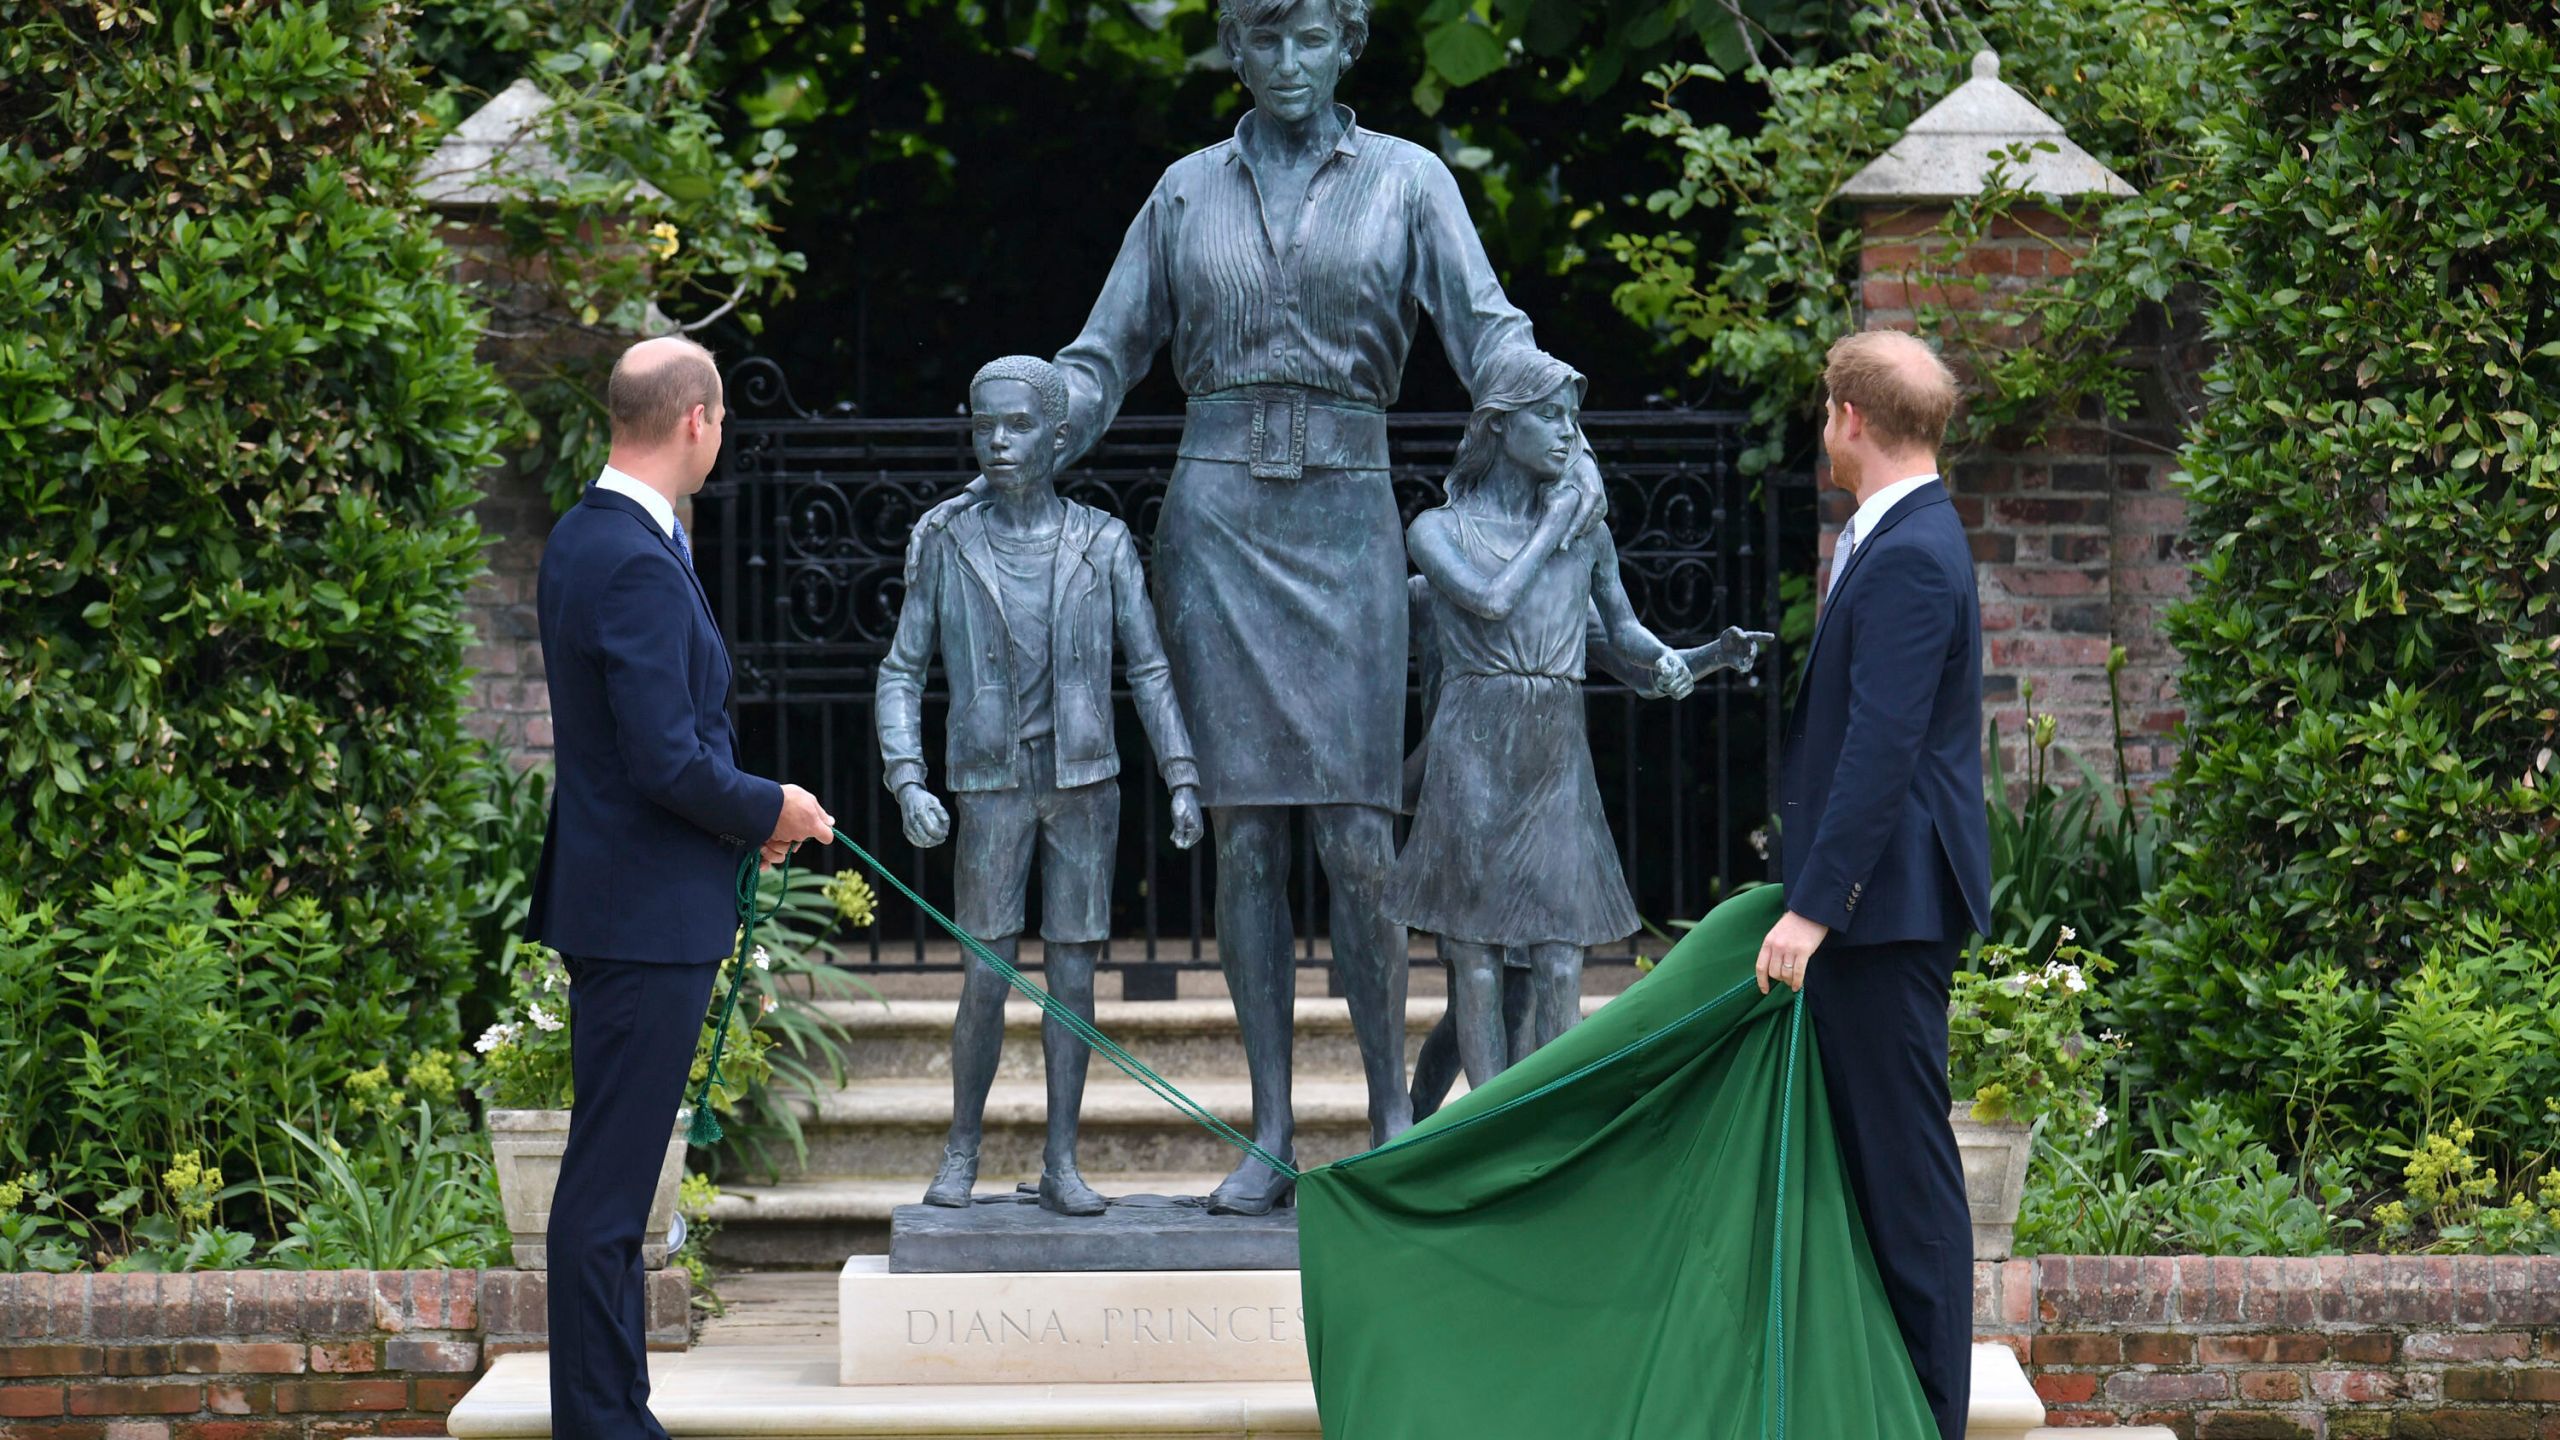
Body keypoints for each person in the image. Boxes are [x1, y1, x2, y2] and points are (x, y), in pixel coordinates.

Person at [911, 0, 1602, 1215]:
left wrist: (1556, 426)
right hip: (1217, 524)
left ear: (1348, 48)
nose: (1288, 63)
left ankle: (1392, 1117)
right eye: (1264, 40)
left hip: (1345, 517)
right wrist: (1025, 435)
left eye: (1311, 38)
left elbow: (1488, 332)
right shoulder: (1184, 192)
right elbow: (1104, 352)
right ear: (1233, 50)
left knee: (1355, 833)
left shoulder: (1408, 180)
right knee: (1244, 840)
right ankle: (1272, 1128)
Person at [524, 336, 835, 1440]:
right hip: (643, 917)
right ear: (696, 421)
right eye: (721, 426)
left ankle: (613, 1412)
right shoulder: (634, 559)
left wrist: (736, 818)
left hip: (631, 901)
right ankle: (602, 1425)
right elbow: (664, 759)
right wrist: (772, 809)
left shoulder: (588, 536)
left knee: (606, 1184)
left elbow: (633, 750)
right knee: (607, 1193)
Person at [1386, 350, 1773, 1088]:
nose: (1568, 434)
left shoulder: (1587, 539)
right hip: (1474, 740)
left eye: (1573, 418)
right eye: (1550, 416)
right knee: (1476, 956)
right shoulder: (1438, 530)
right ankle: (1482, 1131)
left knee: (1561, 950)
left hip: (1553, 744)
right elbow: (1491, 601)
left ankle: (1548, 1125)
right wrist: (1556, 521)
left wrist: (1701, 658)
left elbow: (1624, 639)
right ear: (1499, 427)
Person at [876, 356, 1206, 1217]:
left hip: (1085, 784)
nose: (997, 442)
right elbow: (901, 671)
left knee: (1075, 978)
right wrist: (907, 778)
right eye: (983, 426)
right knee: (984, 976)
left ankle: (1063, 1161)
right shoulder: (948, 542)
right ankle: (962, 1150)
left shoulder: (1100, 542)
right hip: (990, 785)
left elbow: (1152, 667)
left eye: (1016, 426)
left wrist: (1181, 774)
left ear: (1058, 438)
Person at [1754, 328, 1993, 1440]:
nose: (1820, 429)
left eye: (1822, 412)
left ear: (1850, 419)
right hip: (1877, 906)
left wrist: (1814, 904)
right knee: (1879, 1171)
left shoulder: (1907, 552)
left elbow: (1881, 746)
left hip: (1884, 914)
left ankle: (1929, 1422)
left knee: (1906, 1182)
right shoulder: (1893, 534)